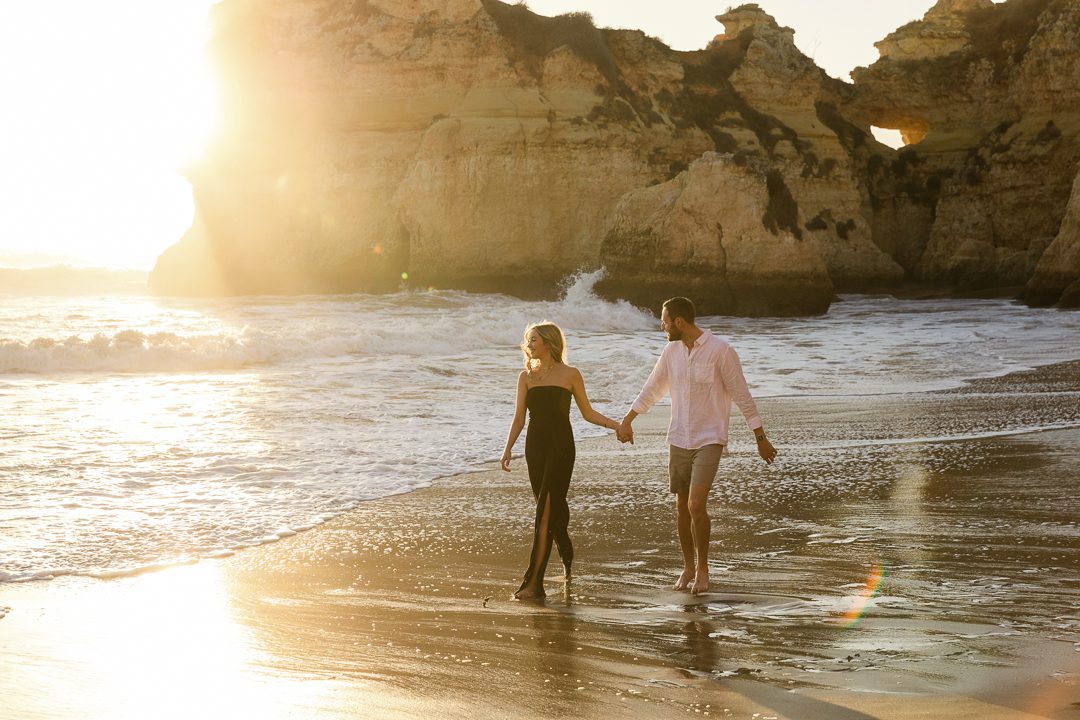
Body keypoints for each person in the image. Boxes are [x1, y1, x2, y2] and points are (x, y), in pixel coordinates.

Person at [617, 297, 777, 595]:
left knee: (695, 504)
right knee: (681, 507)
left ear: (679, 322)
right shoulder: (671, 351)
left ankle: (703, 569)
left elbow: (742, 395)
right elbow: (651, 388)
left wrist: (760, 438)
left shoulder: (721, 351)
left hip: (709, 438)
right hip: (679, 437)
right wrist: (628, 420)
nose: (662, 326)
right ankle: (688, 567)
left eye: (664, 321)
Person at [501, 321, 621, 600]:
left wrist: (617, 426)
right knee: (551, 514)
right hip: (535, 449)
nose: (528, 344)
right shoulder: (525, 377)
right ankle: (566, 554)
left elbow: (588, 413)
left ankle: (534, 584)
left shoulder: (571, 374)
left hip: (560, 447)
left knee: (543, 511)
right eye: (527, 340)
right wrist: (507, 449)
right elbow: (519, 417)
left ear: (548, 342)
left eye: (533, 340)